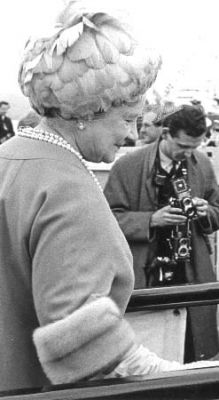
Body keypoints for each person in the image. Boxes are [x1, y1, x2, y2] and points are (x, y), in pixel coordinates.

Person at [0, 1, 217, 392]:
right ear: (89, 110)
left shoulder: (11, 159)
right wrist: (183, 376)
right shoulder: (68, 187)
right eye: (128, 119)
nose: (130, 134)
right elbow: (88, 351)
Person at [104, 104, 219, 362]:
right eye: (184, 146)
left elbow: (216, 209)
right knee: (147, 352)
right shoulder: (128, 166)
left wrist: (205, 212)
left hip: (191, 274)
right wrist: (151, 220)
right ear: (165, 133)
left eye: (195, 147)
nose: (189, 154)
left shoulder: (201, 163)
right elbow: (108, 219)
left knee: (193, 352)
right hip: (147, 276)